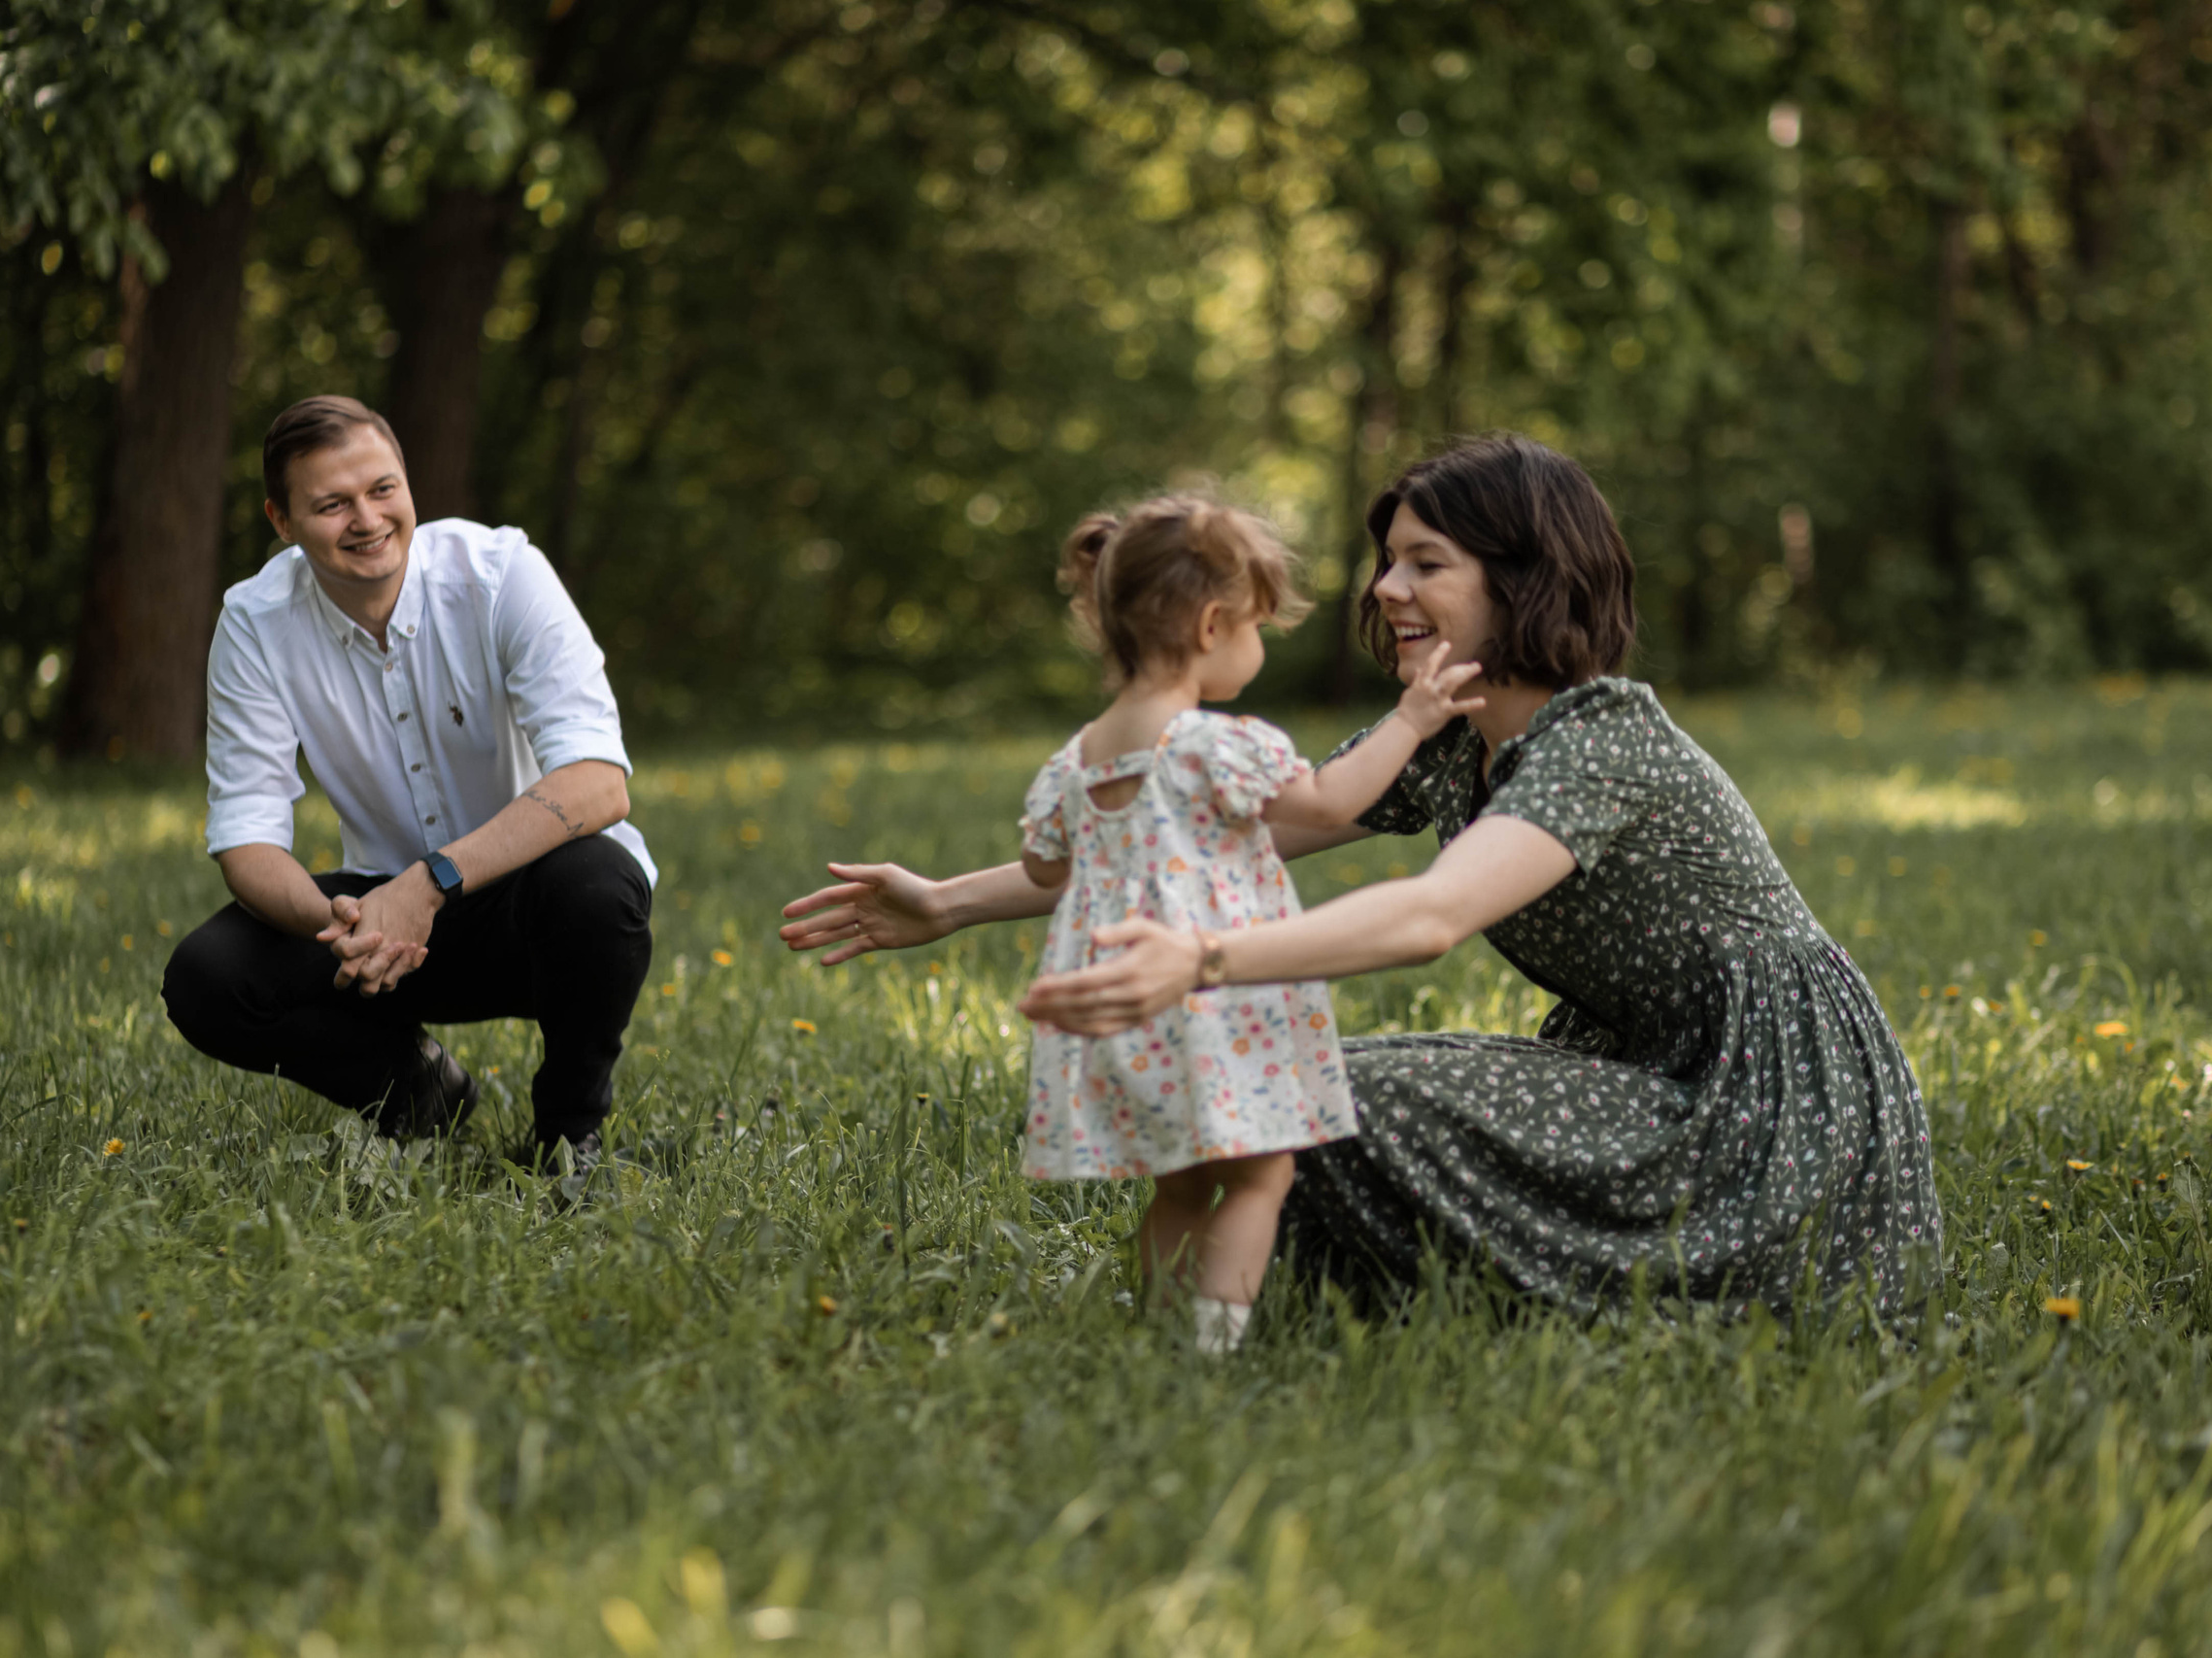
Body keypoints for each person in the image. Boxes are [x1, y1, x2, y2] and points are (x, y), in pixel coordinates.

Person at [783, 435, 1941, 1320]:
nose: (1386, 590)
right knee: (1302, 1085)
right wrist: (945, 903)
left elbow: (1431, 917)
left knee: (1321, 1096)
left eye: (1426, 564)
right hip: (1640, 1075)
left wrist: (1205, 960)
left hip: (1764, 1113)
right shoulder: (1448, 737)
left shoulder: (1603, 738)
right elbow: (1191, 835)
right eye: (1388, 561)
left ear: (1525, 578)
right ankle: (1277, 1311)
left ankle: (1448, 1299)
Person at [1017, 496, 1491, 1351]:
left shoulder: (1076, 759)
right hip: (1216, 999)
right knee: (1265, 1172)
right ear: (1210, 626)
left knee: (1181, 1186)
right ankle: (1214, 1342)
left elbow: (1048, 869)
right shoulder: (1215, 744)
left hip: (1134, 1008)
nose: (1260, 647)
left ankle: (1160, 1326)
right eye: (1257, 627)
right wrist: (1412, 720)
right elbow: (1335, 798)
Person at [161, 394, 654, 1167]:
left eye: (382, 489)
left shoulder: (500, 574)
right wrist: (344, 919)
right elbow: (247, 839)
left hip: (542, 913)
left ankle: (568, 1136)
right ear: (281, 521)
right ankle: (418, 1090)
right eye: (331, 503)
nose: (367, 518)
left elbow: (599, 784)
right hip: (382, 925)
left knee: (600, 880)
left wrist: (429, 884)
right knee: (207, 976)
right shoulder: (256, 623)